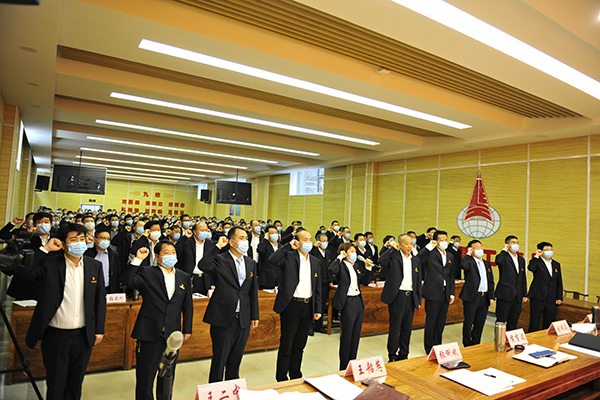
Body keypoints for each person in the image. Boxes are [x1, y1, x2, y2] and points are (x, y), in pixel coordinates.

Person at [0, 223, 106, 400]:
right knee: (56, 385)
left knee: (75, 384)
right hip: (56, 336)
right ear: (63, 244)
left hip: (83, 337)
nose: (79, 243)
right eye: (73, 240)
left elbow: (99, 299)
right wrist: (45, 249)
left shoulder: (94, 266)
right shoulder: (50, 264)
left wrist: (99, 329)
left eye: (82, 239)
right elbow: (24, 273)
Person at [122, 241, 193, 400]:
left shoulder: (184, 276)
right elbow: (127, 280)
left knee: (167, 376)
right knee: (146, 378)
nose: (171, 255)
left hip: (172, 336)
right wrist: (138, 259)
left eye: (173, 252)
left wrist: (187, 329)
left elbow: (188, 305)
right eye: (166, 252)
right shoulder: (148, 272)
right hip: (150, 333)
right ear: (157, 256)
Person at [198, 228, 259, 382]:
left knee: (235, 360)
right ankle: (216, 390)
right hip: (223, 316)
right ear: (232, 242)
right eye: (241, 238)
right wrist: (217, 246)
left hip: (243, 318)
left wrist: (254, 315)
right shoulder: (220, 259)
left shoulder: (250, 263)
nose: (245, 241)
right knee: (220, 359)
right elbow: (203, 265)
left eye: (246, 238)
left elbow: (252, 291)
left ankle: (232, 390)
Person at [270, 229, 322, 382]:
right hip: (291, 305)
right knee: (287, 344)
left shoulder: (315, 261)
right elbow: (272, 260)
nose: (309, 242)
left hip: (308, 305)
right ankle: (281, 377)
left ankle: (295, 375)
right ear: (297, 242)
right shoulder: (289, 257)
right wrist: (287, 246)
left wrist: (318, 308)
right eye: (305, 239)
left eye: (310, 239)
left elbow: (317, 287)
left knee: (300, 344)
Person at [329, 242, 373, 370]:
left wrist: (368, 268)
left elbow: (365, 281)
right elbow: (331, 270)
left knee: (355, 336)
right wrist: (339, 257)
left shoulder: (356, 266)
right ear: (344, 253)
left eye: (355, 251)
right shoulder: (341, 265)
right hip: (347, 302)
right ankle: (344, 367)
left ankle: (353, 364)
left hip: (358, 301)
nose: (354, 254)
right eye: (351, 251)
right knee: (347, 336)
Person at [379, 234, 422, 361]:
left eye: (411, 244)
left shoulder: (416, 260)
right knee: (395, 327)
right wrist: (393, 249)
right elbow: (381, 261)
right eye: (406, 243)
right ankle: (392, 354)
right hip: (397, 296)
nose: (409, 246)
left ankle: (404, 353)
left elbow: (418, 281)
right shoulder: (394, 257)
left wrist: (418, 299)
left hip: (411, 297)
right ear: (400, 244)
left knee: (407, 328)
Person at [418, 230, 456, 354]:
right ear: (436, 241)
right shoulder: (430, 253)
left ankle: (438, 345)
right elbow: (417, 258)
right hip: (433, 291)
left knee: (441, 322)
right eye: (441, 240)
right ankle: (429, 347)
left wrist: (451, 292)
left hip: (445, 292)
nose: (444, 242)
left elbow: (451, 275)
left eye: (445, 239)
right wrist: (428, 247)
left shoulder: (450, 255)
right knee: (431, 321)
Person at [460, 240, 495, 347]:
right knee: (469, 321)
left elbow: (491, 281)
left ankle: (476, 342)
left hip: (484, 297)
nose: (480, 249)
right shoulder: (469, 261)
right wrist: (467, 254)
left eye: (481, 247)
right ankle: (467, 343)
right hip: (472, 296)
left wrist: (491, 297)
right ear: (471, 250)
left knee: (480, 322)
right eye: (476, 247)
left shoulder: (486, 263)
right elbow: (463, 265)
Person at [527, 242, 563, 332]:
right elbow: (531, 268)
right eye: (546, 250)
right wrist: (536, 256)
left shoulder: (556, 264)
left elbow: (559, 281)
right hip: (538, 296)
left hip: (551, 298)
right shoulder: (536, 262)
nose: (549, 251)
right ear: (541, 251)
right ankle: (532, 338)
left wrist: (559, 297)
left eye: (551, 249)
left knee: (549, 322)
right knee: (535, 321)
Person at [495, 235, 528, 331]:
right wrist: (504, 250)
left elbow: (523, 277)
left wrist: (524, 294)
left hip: (517, 296)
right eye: (513, 242)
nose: (516, 244)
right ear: (507, 245)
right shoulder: (503, 257)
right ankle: (499, 339)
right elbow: (498, 261)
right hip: (505, 294)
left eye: (517, 242)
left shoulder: (521, 260)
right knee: (501, 320)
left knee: (513, 321)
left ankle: (509, 339)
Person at [177, 221, 214, 294]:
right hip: (190, 278)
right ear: (195, 231)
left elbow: (213, 263)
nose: (204, 232)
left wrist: (212, 283)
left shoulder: (210, 244)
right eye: (202, 230)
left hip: (205, 279)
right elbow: (178, 253)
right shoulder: (187, 242)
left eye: (206, 230)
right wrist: (184, 238)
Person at [84, 226, 122, 293]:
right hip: (91, 289)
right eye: (103, 238)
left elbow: (116, 274)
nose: (106, 241)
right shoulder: (87, 254)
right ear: (95, 240)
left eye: (108, 239)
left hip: (107, 288)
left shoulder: (114, 254)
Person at [309, 233, 333, 334]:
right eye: (323, 241)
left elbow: (330, 268)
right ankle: (310, 326)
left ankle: (319, 325)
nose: (325, 243)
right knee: (313, 303)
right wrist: (314, 247)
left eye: (326, 241)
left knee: (322, 304)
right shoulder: (314, 251)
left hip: (325, 282)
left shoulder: (328, 253)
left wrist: (331, 281)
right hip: (315, 281)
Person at [257, 225, 281, 289]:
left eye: (276, 232)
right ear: (267, 234)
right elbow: (260, 250)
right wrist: (265, 239)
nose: (275, 234)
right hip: (266, 278)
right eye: (272, 233)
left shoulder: (281, 247)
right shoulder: (264, 245)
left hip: (279, 278)